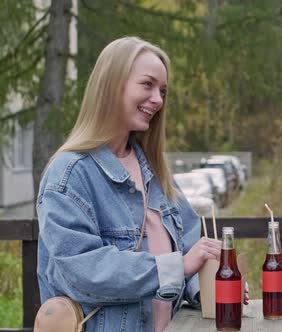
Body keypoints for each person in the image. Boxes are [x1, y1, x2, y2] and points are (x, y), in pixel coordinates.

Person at [36, 37, 246, 332]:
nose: (158, 99)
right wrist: (177, 267)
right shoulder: (70, 174)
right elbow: (83, 271)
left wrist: (211, 288)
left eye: (162, 91)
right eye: (147, 85)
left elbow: (189, 248)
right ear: (112, 85)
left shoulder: (155, 171)